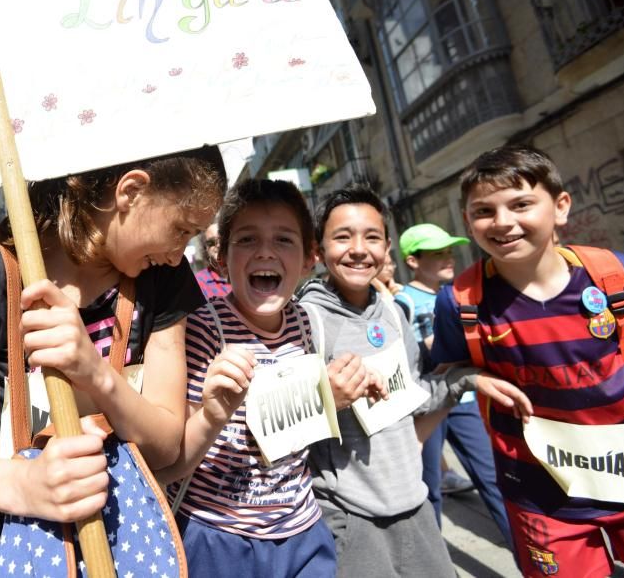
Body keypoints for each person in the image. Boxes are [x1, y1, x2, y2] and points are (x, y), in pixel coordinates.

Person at [0, 148, 227, 566]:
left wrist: (96, 374)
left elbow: (166, 445)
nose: (179, 252)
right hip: (16, 555)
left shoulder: (164, 280)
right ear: (131, 191)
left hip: (128, 553)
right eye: (181, 229)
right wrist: (24, 484)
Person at [429, 145, 624, 577]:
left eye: (521, 204)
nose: (503, 222)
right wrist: (472, 377)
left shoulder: (619, 276)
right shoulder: (459, 303)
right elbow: (446, 374)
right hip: (539, 497)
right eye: (484, 211)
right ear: (468, 221)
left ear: (560, 206)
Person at [157, 179, 353, 577]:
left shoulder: (307, 321)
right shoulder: (202, 328)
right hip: (216, 538)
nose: (265, 251)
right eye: (247, 240)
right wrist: (212, 412)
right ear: (220, 258)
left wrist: (332, 396)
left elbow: (295, 431)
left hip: (304, 531)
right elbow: (172, 461)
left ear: (308, 258)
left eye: (284, 239)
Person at [297, 185, 471, 577]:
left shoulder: (393, 313)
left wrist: (463, 381)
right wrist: (327, 397)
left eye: (372, 237)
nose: (359, 249)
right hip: (349, 518)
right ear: (318, 249)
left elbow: (413, 401)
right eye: (342, 237)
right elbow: (287, 429)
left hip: (415, 504)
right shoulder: (305, 320)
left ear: (387, 247)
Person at [394, 224, 513, 547]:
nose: (448, 259)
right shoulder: (402, 301)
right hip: (427, 403)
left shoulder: (458, 295)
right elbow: (401, 356)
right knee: (427, 487)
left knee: (493, 477)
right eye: (437, 254)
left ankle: (530, 560)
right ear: (413, 260)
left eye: (448, 251)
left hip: (465, 399)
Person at [194, 222, 232, 299]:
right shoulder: (197, 283)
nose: (218, 245)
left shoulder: (247, 274)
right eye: (211, 242)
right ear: (205, 249)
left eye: (222, 240)